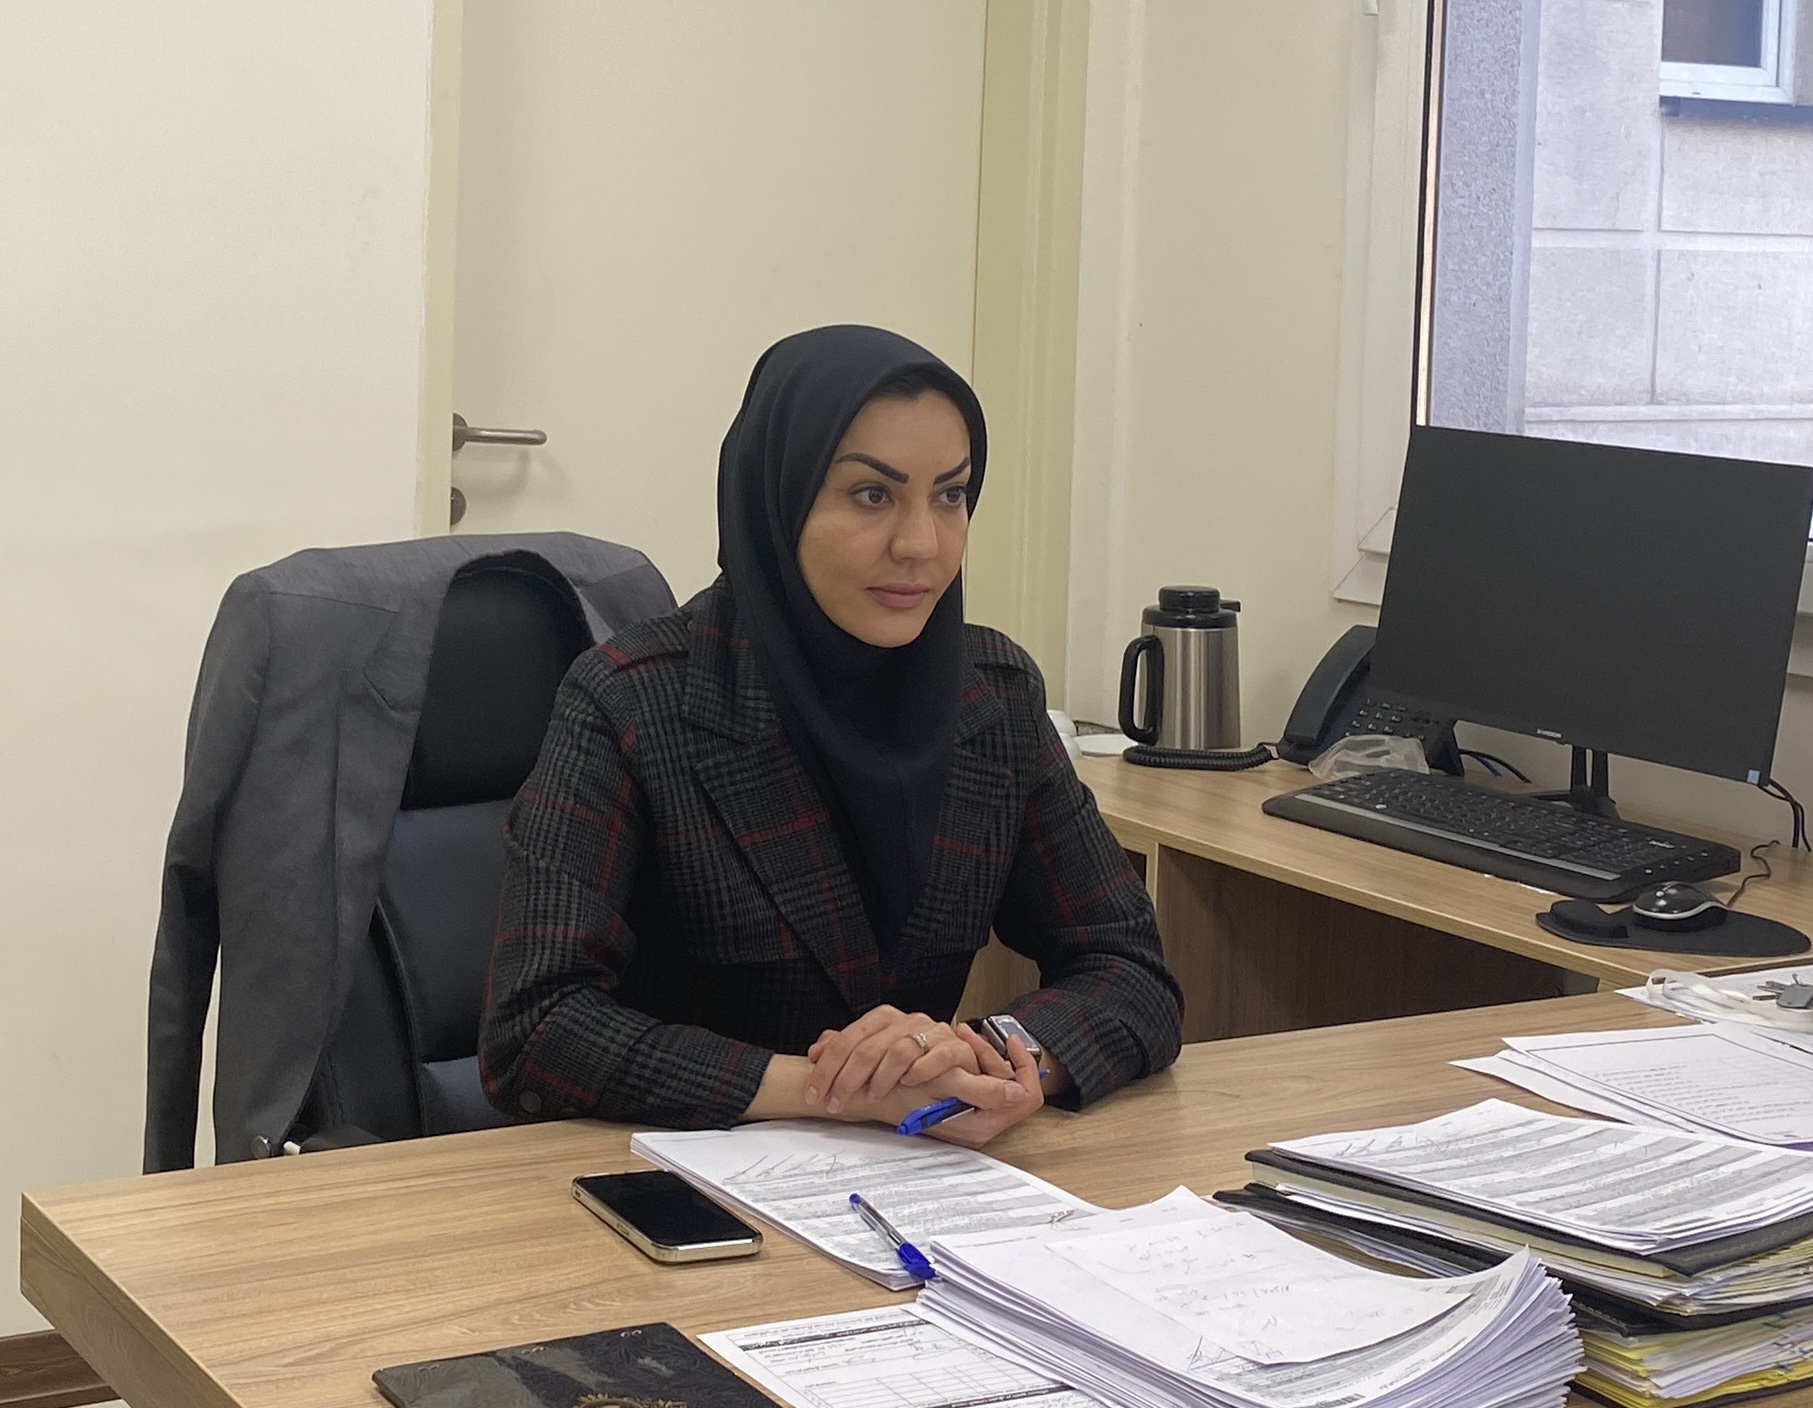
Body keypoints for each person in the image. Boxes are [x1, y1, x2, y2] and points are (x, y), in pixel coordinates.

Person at [479, 324, 1182, 1147]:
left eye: (950, 495)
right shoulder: (632, 699)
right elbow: (536, 1030)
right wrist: (836, 1089)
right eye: (871, 495)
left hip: (919, 1172)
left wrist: (991, 1058)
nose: (921, 544)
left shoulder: (993, 694)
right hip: (681, 1168)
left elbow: (1129, 969)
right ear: (776, 500)